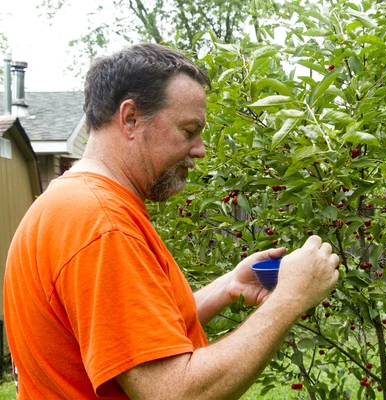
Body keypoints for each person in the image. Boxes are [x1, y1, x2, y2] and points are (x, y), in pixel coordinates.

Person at [3, 43, 339, 399]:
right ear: (130, 118)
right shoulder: (102, 224)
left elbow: (132, 337)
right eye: (188, 130)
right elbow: (173, 392)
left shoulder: (71, 202)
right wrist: (290, 297)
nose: (200, 149)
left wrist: (227, 286)